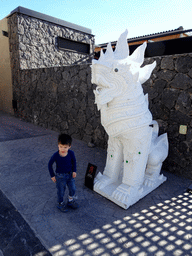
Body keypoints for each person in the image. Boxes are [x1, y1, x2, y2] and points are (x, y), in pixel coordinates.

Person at [48, 134, 79, 212]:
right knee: (61, 191)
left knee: (73, 189)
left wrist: (74, 170)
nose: (62, 149)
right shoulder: (56, 155)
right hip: (60, 176)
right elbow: (49, 164)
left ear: (69, 146)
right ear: (58, 145)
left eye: (65, 147)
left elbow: (74, 161)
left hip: (70, 175)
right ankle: (60, 203)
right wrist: (52, 175)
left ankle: (70, 201)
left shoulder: (71, 153)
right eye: (61, 146)